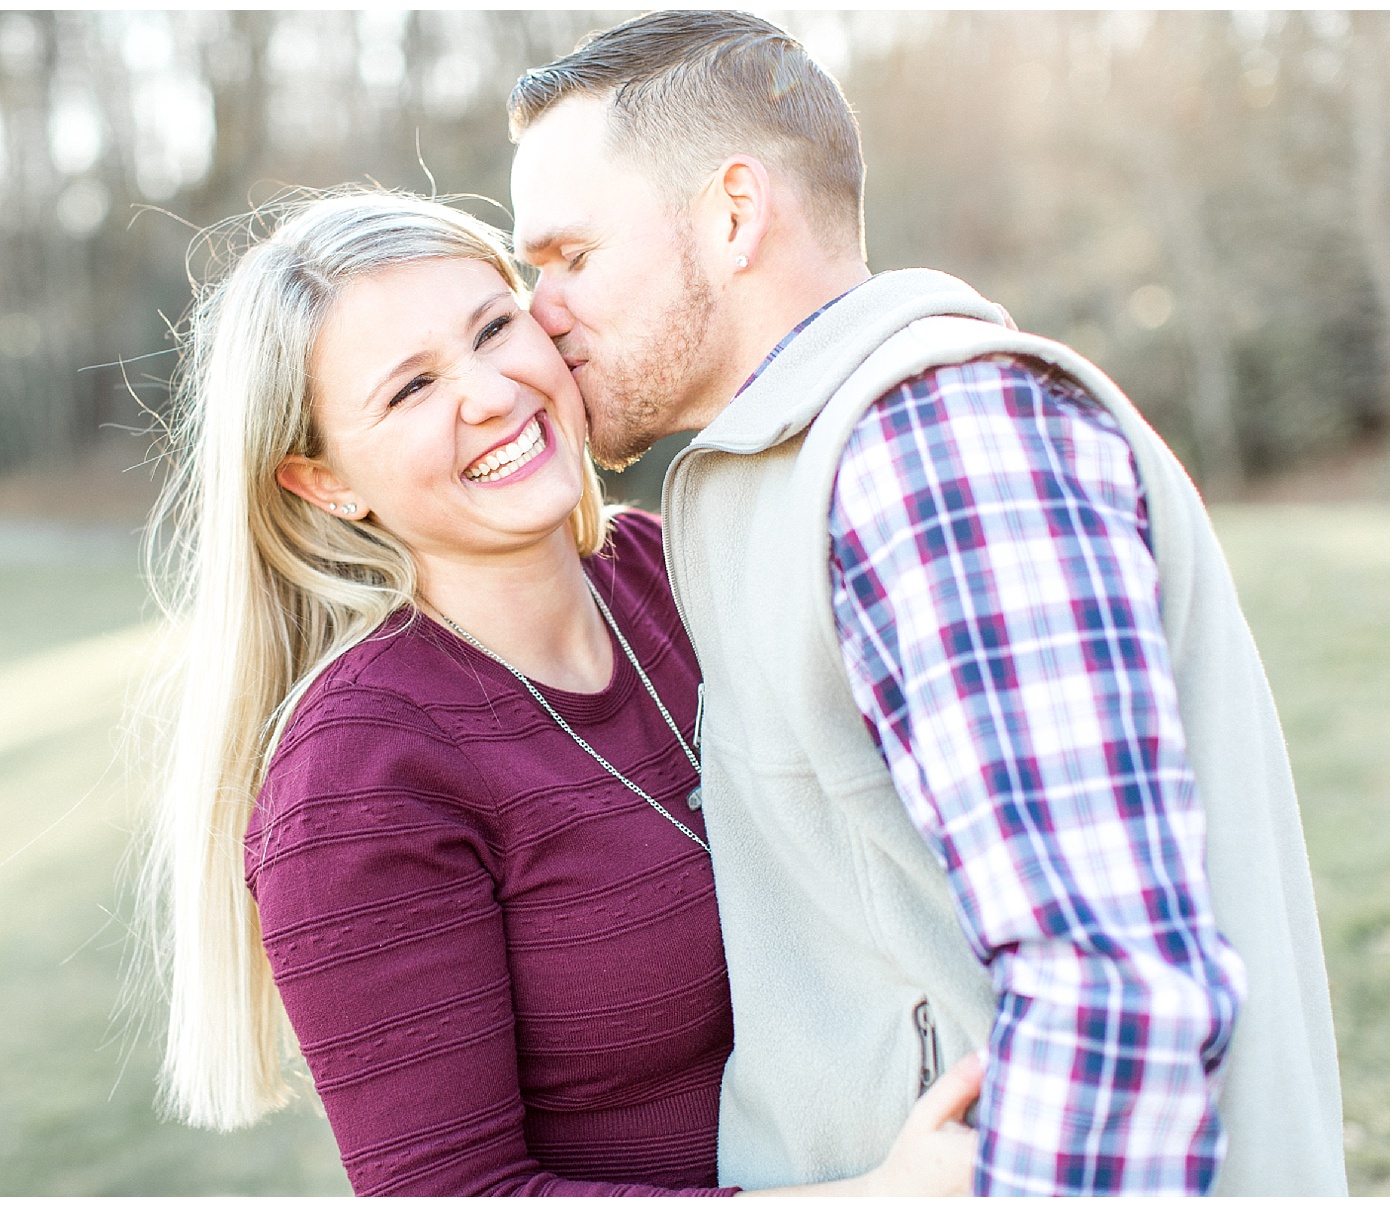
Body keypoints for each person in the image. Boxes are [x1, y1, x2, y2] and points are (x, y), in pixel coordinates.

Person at [506, 10, 1346, 1197]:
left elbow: (1112, 995)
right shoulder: (765, 477)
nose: (539, 312)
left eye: (571, 257)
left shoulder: (935, 443)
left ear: (732, 214)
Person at [136, 190, 984, 1196]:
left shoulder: (679, 567)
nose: (490, 392)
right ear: (325, 484)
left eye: (494, 327)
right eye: (410, 390)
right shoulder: (358, 777)